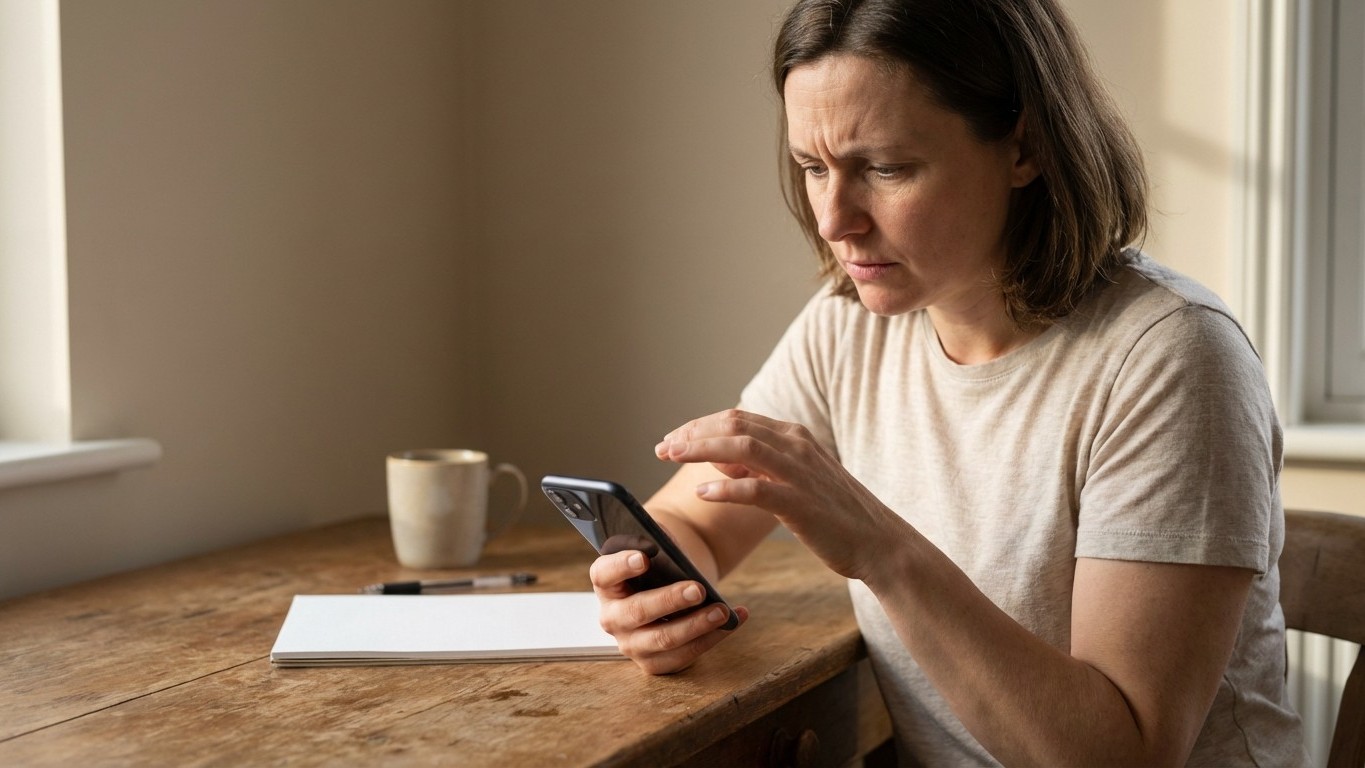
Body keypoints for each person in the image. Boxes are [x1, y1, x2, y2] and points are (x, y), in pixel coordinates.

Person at [589, 0, 1310, 764]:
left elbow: (1122, 754)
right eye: (812, 168)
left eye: (885, 168)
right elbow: (698, 520)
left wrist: (879, 548)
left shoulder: (1170, 357)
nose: (834, 220)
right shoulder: (850, 323)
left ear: (1023, 147)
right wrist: (655, 593)